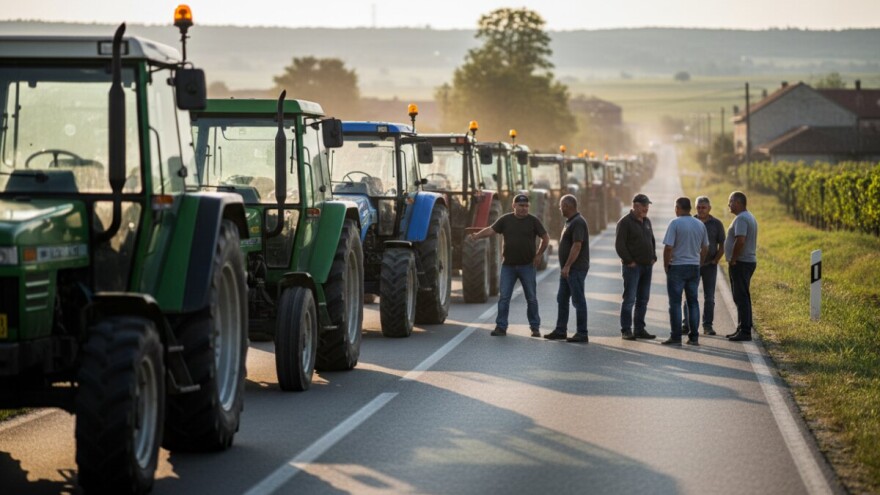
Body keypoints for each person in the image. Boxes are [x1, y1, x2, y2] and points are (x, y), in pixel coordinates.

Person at [470, 194, 550, 337]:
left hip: (527, 266)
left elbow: (545, 238)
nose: (524, 209)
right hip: (508, 267)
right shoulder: (505, 220)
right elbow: (490, 230)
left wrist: (539, 255)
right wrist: (477, 236)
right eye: (521, 206)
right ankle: (501, 327)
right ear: (514, 206)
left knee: (531, 298)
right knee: (504, 298)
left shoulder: (533, 221)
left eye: (526, 206)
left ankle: (535, 327)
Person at [662, 197, 709, 346]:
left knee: (675, 303)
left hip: (677, 267)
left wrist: (666, 265)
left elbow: (668, 247)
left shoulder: (675, 223)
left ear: (678, 208)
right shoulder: (700, 224)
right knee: (693, 302)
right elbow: (706, 247)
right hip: (694, 267)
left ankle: (676, 337)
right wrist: (699, 262)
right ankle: (694, 337)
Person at [544, 195, 590, 343]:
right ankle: (560, 330)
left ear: (567, 206)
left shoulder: (578, 222)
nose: (559, 208)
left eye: (561, 206)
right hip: (567, 269)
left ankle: (582, 333)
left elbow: (577, 246)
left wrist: (568, 265)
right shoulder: (569, 222)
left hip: (575, 269)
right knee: (562, 299)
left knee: (578, 300)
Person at [614, 193, 657, 341]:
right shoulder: (625, 222)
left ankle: (639, 329)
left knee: (643, 299)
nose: (646, 209)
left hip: (647, 266)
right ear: (635, 206)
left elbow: (651, 240)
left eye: (647, 206)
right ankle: (626, 330)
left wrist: (654, 256)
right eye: (644, 206)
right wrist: (628, 260)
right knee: (629, 299)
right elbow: (619, 245)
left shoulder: (647, 221)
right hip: (632, 267)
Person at [682, 196, 726, 336]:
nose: (701, 210)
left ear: (709, 208)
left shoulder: (717, 224)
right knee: (689, 295)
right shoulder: (690, 222)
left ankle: (707, 325)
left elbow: (722, 244)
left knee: (709, 297)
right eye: (699, 207)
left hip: (709, 266)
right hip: (692, 264)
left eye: (704, 207)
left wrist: (716, 260)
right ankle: (686, 324)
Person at [724, 191, 758, 342]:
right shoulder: (747, 216)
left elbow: (741, 240)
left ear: (738, 203)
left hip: (741, 262)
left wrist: (733, 259)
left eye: (730, 201)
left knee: (741, 296)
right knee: (742, 296)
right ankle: (742, 327)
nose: (728, 205)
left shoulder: (742, 219)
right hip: (745, 261)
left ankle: (745, 331)